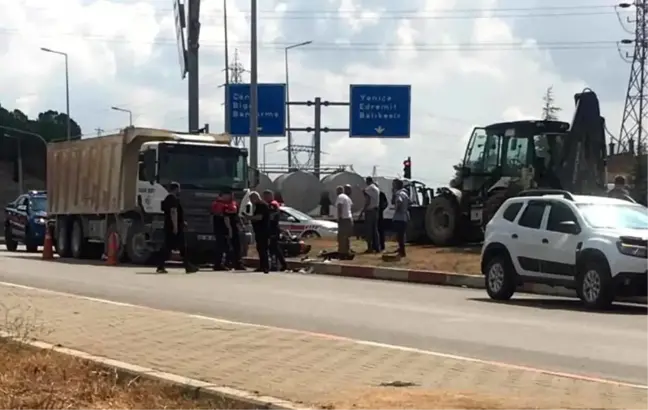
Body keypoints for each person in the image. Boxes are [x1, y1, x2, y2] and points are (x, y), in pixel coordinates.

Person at [156, 182, 198, 274]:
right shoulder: (172, 199)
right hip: (174, 227)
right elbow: (173, 212)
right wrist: (175, 226)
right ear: (175, 189)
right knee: (180, 247)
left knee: (169, 247)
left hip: (170, 226)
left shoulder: (167, 199)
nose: (180, 190)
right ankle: (188, 266)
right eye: (179, 188)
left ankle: (161, 266)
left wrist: (182, 222)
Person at [263, 189, 287, 271]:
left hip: (273, 228)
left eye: (265, 196)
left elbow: (271, 217)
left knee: (274, 248)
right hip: (273, 228)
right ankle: (279, 264)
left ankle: (280, 264)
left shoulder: (272, 205)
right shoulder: (273, 204)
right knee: (274, 247)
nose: (264, 198)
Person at [249, 191, 271, 273]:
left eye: (251, 199)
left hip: (263, 231)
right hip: (259, 231)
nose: (251, 201)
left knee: (263, 249)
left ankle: (265, 267)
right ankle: (262, 266)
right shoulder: (258, 206)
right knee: (260, 249)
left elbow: (259, 217)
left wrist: (249, 218)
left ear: (255, 198)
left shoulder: (262, 205)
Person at [391, 179, 410, 257]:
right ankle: (401, 249)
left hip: (399, 217)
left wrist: (397, 209)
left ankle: (402, 252)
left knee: (400, 235)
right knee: (401, 235)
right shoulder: (405, 193)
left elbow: (399, 201)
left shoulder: (399, 194)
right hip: (404, 216)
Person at [210, 193, 229, 271]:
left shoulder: (214, 204)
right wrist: (229, 228)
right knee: (223, 247)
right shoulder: (224, 205)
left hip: (216, 228)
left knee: (218, 246)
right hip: (222, 229)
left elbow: (211, 216)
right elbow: (226, 218)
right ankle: (220, 264)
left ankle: (217, 264)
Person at [362, 176, 381, 253]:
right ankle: (377, 247)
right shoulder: (377, 189)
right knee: (375, 230)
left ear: (367, 181)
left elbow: (367, 200)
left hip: (370, 210)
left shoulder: (369, 189)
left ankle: (370, 247)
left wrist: (363, 210)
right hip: (376, 210)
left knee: (369, 230)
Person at [335, 185, 353, 257]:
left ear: (339, 191)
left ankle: (342, 252)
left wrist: (339, 217)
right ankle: (347, 250)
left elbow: (340, 207)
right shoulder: (347, 198)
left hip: (344, 219)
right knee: (346, 236)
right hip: (349, 218)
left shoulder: (340, 197)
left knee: (341, 236)